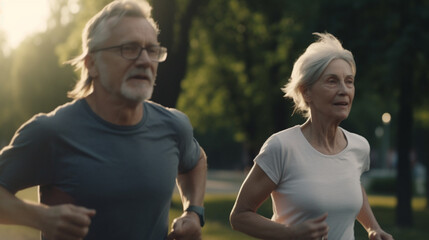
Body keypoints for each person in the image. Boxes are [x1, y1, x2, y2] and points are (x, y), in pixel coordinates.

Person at [0, 1, 207, 239]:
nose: (144, 60)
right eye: (129, 48)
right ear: (92, 64)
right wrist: (40, 217)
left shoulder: (174, 125)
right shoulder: (50, 132)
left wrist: (193, 211)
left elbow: (196, 161)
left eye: (152, 50)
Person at [230, 33, 394, 240]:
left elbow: (351, 185)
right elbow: (239, 216)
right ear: (306, 92)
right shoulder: (282, 147)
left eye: (349, 81)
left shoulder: (359, 147)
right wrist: (290, 234)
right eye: (332, 81)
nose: (344, 90)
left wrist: (373, 227)